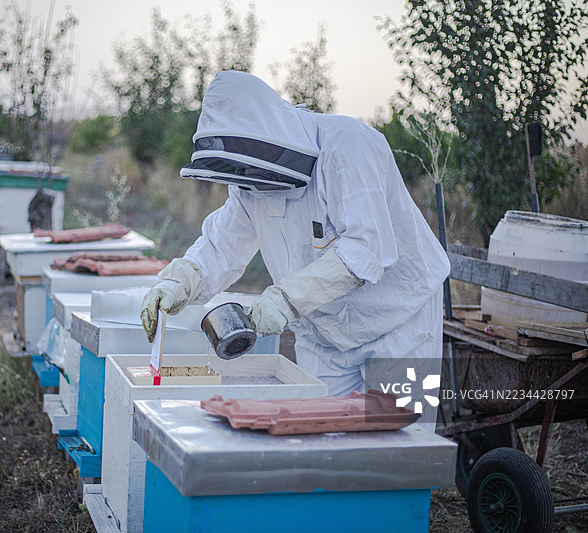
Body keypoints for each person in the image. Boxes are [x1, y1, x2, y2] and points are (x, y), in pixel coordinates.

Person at [141, 71, 450, 429]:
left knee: (402, 443)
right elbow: (221, 245)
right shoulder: (251, 179)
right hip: (323, 331)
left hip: (399, 319)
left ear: (267, 135)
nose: (244, 178)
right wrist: (179, 282)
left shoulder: (348, 144)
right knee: (318, 442)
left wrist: (286, 300)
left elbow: (367, 249)